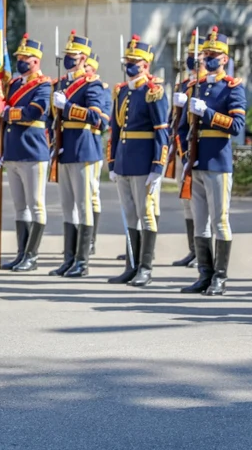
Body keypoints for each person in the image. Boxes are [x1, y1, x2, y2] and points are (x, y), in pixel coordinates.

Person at [176, 26, 246, 295]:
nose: (208, 58)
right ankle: (204, 274)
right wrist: (185, 156)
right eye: (206, 54)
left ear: (225, 59)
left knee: (220, 220)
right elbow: (182, 128)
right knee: (200, 220)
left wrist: (208, 113)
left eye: (214, 54)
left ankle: (220, 277)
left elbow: (237, 125)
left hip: (218, 160)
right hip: (196, 161)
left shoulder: (232, 88)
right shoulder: (196, 86)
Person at [107, 35, 168, 287]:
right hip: (123, 161)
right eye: (127, 61)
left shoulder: (153, 92)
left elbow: (161, 131)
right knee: (129, 215)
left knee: (146, 214)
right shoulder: (121, 91)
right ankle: (131, 265)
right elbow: (115, 129)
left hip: (144, 162)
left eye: (134, 61)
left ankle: (145, 267)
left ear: (145, 64)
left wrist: (158, 166)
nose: (129, 65)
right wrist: (112, 162)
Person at [49, 31, 104, 278]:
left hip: (83, 148)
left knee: (83, 206)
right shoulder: (61, 85)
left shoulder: (92, 84)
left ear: (83, 58)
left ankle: (82, 261)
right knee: (68, 206)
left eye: (73, 55)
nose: (69, 59)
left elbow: (97, 118)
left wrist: (68, 107)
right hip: (65, 149)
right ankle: (69, 258)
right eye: (67, 55)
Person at [0, 34, 50, 272]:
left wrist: (9, 113)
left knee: (36, 204)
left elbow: (35, 111)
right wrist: (1, 149)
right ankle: (21, 253)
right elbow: (3, 111)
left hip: (33, 150)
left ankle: (32, 255)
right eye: (18, 57)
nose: (20, 61)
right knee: (19, 206)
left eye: (24, 57)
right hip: (14, 151)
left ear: (35, 60)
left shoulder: (44, 84)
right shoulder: (15, 84)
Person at [171, 30, 206, 269]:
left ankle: (204, 252)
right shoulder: (183, 84)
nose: (191, 59)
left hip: (200, 150)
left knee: (202, 203)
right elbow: (174, 121)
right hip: (181, 150)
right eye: (188, 54)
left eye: (196, 54)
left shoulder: (204, 85)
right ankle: (193, 250)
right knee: (186, 200)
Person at [84, 53, 110, 255]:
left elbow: (103, 122)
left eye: (87, 69)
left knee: (92, 194)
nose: (84, 72)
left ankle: (90, 239)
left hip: (91, 145)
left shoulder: (101, 89)